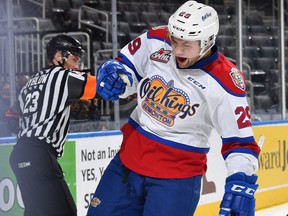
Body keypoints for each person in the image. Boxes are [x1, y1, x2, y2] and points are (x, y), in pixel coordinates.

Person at [87, 1, 261, 216]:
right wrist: (117, 77)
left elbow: (240, 143)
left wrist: (240, 184)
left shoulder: (225, 80)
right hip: (127, 163)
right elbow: (128, 66)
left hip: (175, 180)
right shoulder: (156, 39)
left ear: (207, 42)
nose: (176, 49)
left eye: (186, 45)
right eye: (175, 40)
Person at [9, 34, 128, 216]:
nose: (77, 66)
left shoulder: (30, 83)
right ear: (58, 56)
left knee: (35, 212)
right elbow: (103, 86)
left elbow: (11, 114)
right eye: (74, 59)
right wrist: (131, 85)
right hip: (39, 156)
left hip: (19, 154)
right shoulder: (62, 77)